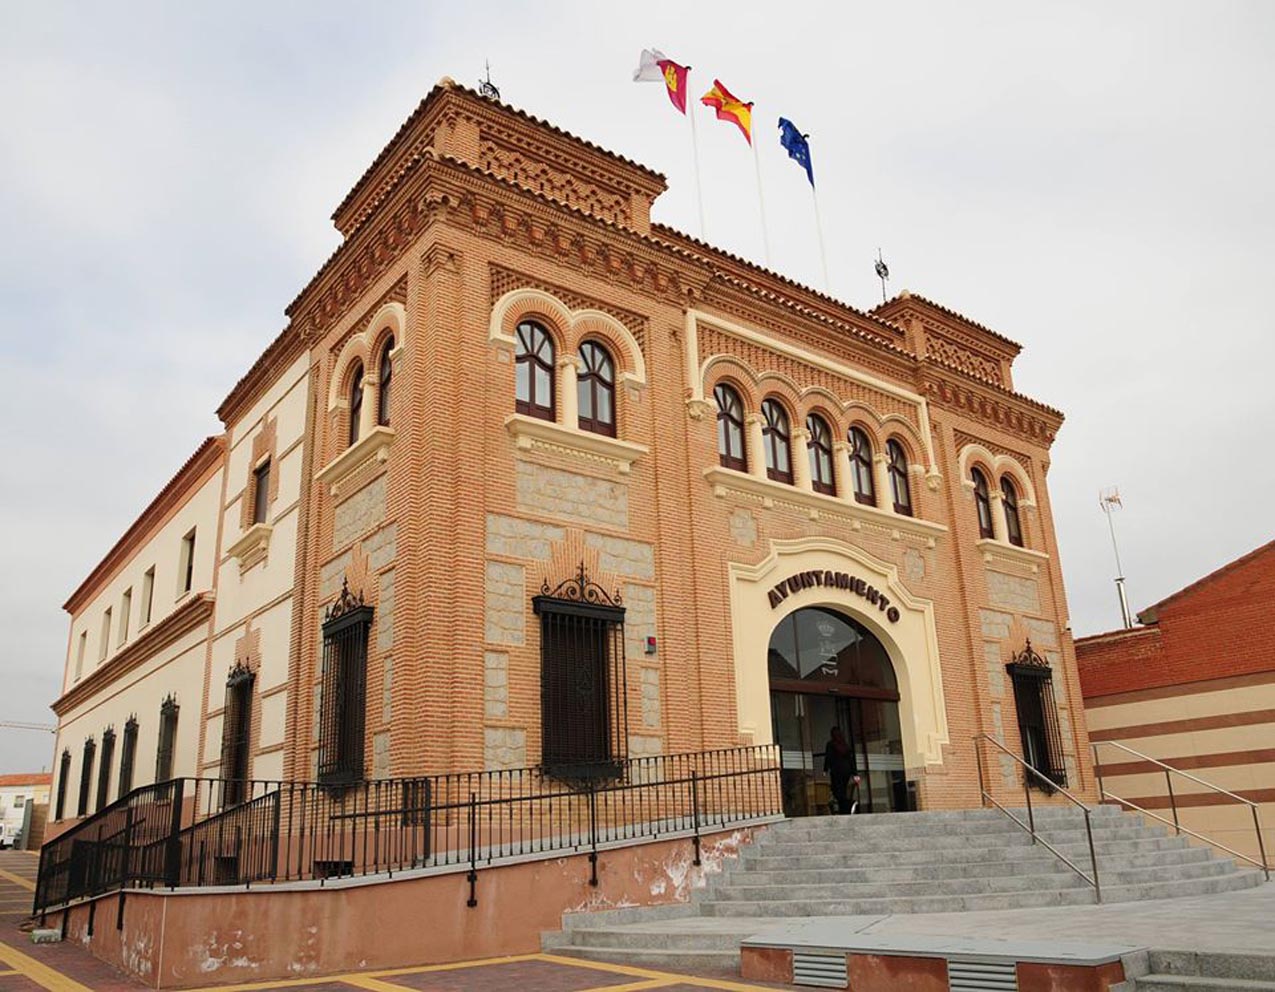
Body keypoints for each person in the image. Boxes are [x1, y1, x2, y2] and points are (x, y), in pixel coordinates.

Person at [823, 726, 860, 814]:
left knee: (837, 792)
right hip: (846, 771)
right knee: (842, 791)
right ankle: (845, 809)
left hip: (836, 772)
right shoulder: (845, 745)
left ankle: (848, 805)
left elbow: (828, 757)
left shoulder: (831, 744)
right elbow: (851, 760)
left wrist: (825, 769)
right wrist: (855, 773)